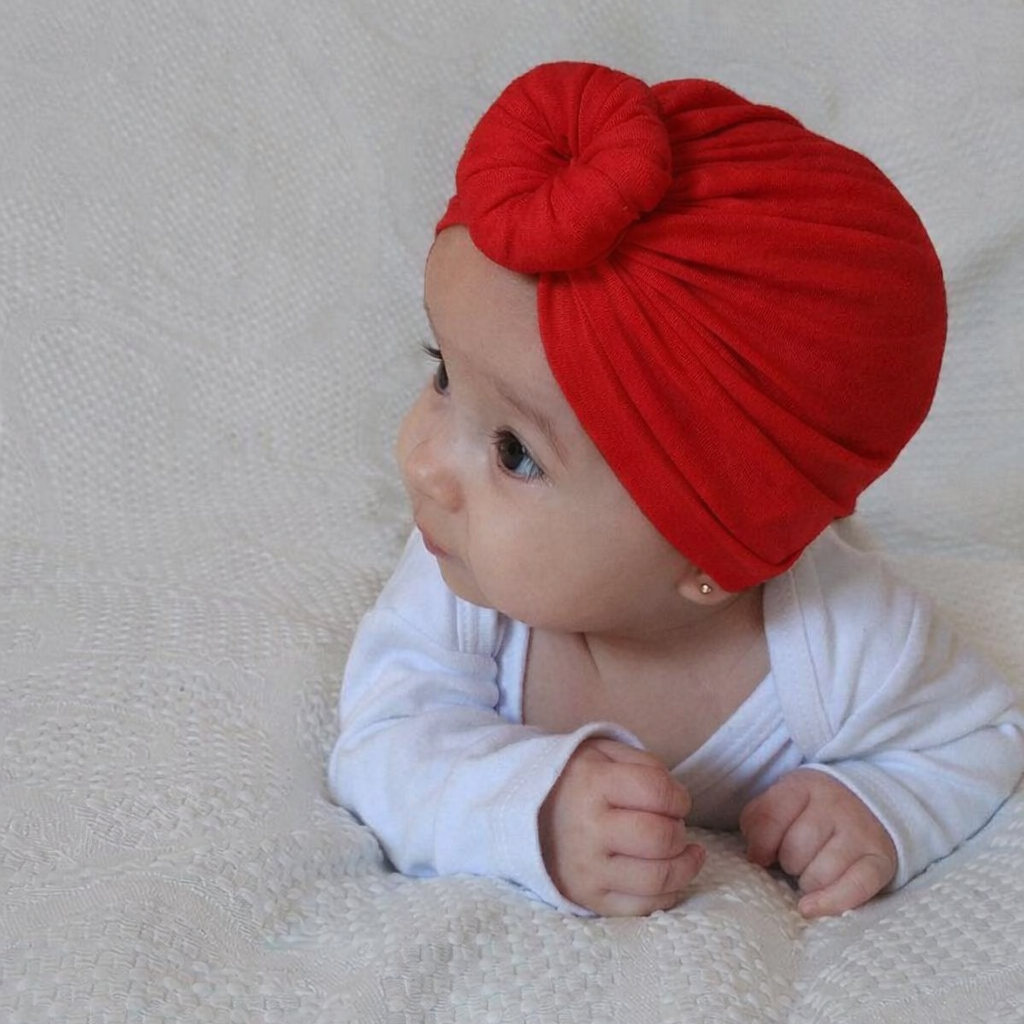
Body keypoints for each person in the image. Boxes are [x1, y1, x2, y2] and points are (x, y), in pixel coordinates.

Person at [328, 61, 1024, 918]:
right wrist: (529, 810)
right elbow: (381, 744)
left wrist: (880, 804)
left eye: (514, 454)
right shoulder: (457, 584)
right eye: (443, 374)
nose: (423, 461)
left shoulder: (845, 640)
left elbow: (979, 736)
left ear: (708, 559)